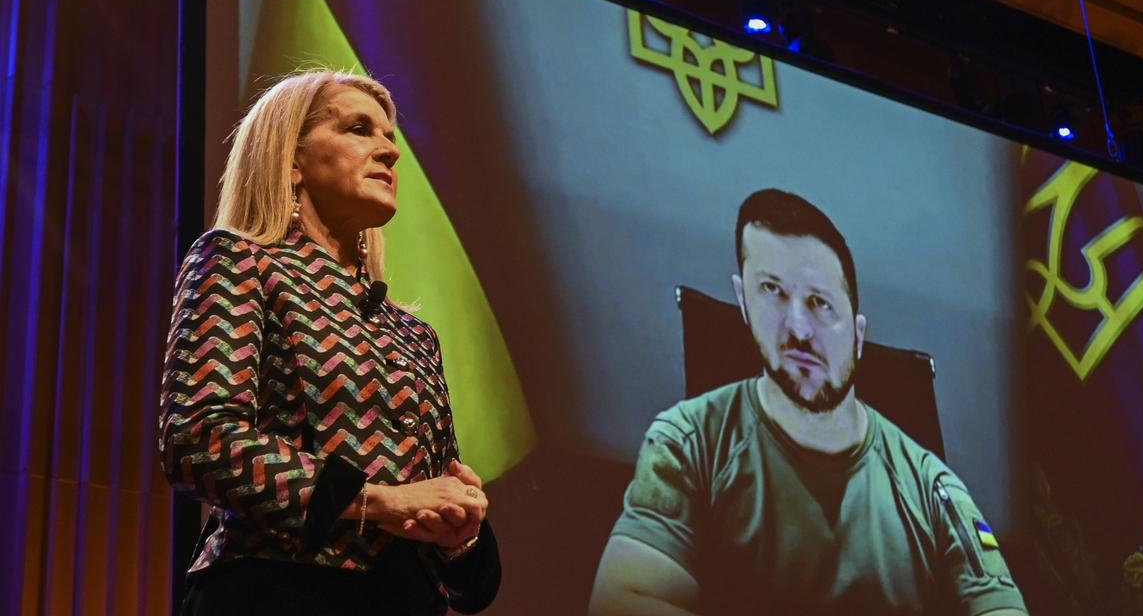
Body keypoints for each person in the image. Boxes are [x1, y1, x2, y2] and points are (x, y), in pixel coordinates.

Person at [589, 188, 1026, 616]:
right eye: (772, 291)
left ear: (857, 336)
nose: (798, 329)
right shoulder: (688, 441)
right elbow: (619, 601)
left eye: (819, 303)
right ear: (743, 300)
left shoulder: (934, 490)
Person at [160, 69, 500, 615]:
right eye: (359, 129)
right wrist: (376, 500)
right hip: (276, 593)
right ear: (291, 160)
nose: (389, 153)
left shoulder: (415, 335)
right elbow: (198, 436)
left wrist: (459, 530)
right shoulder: (240, 261)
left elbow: (441, 525)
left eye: (390, 138)